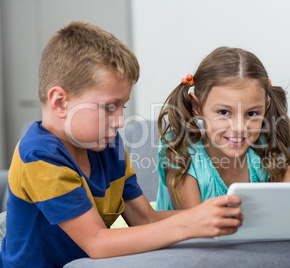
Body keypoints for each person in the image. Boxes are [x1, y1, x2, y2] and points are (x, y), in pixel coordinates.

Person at [0, 22, 243, 267]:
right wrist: (190, 224)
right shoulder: (39, 155)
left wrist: (216, 217)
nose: (120, 122)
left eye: (122, 106)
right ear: (60, 102)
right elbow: (97, 243)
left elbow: (145, 219)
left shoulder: (108, 146)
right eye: (109, 107)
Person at [155, 46, 290, 237]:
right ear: (196, 106)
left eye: (252, 114)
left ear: (266, 106)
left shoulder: (264, 149)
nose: (239, 127)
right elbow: (196, 226)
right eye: (224, 112)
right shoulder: (182, 151)